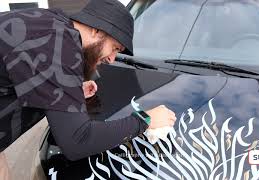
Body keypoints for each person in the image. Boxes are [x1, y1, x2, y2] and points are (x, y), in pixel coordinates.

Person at [0, 0, 176, 179]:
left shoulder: (53, 25)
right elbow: (77, 141)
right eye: (114, 48)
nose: (112, 59)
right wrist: (145, 120)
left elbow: (29, 72)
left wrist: (68, 89)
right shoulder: (59, 47)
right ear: (96, 30)